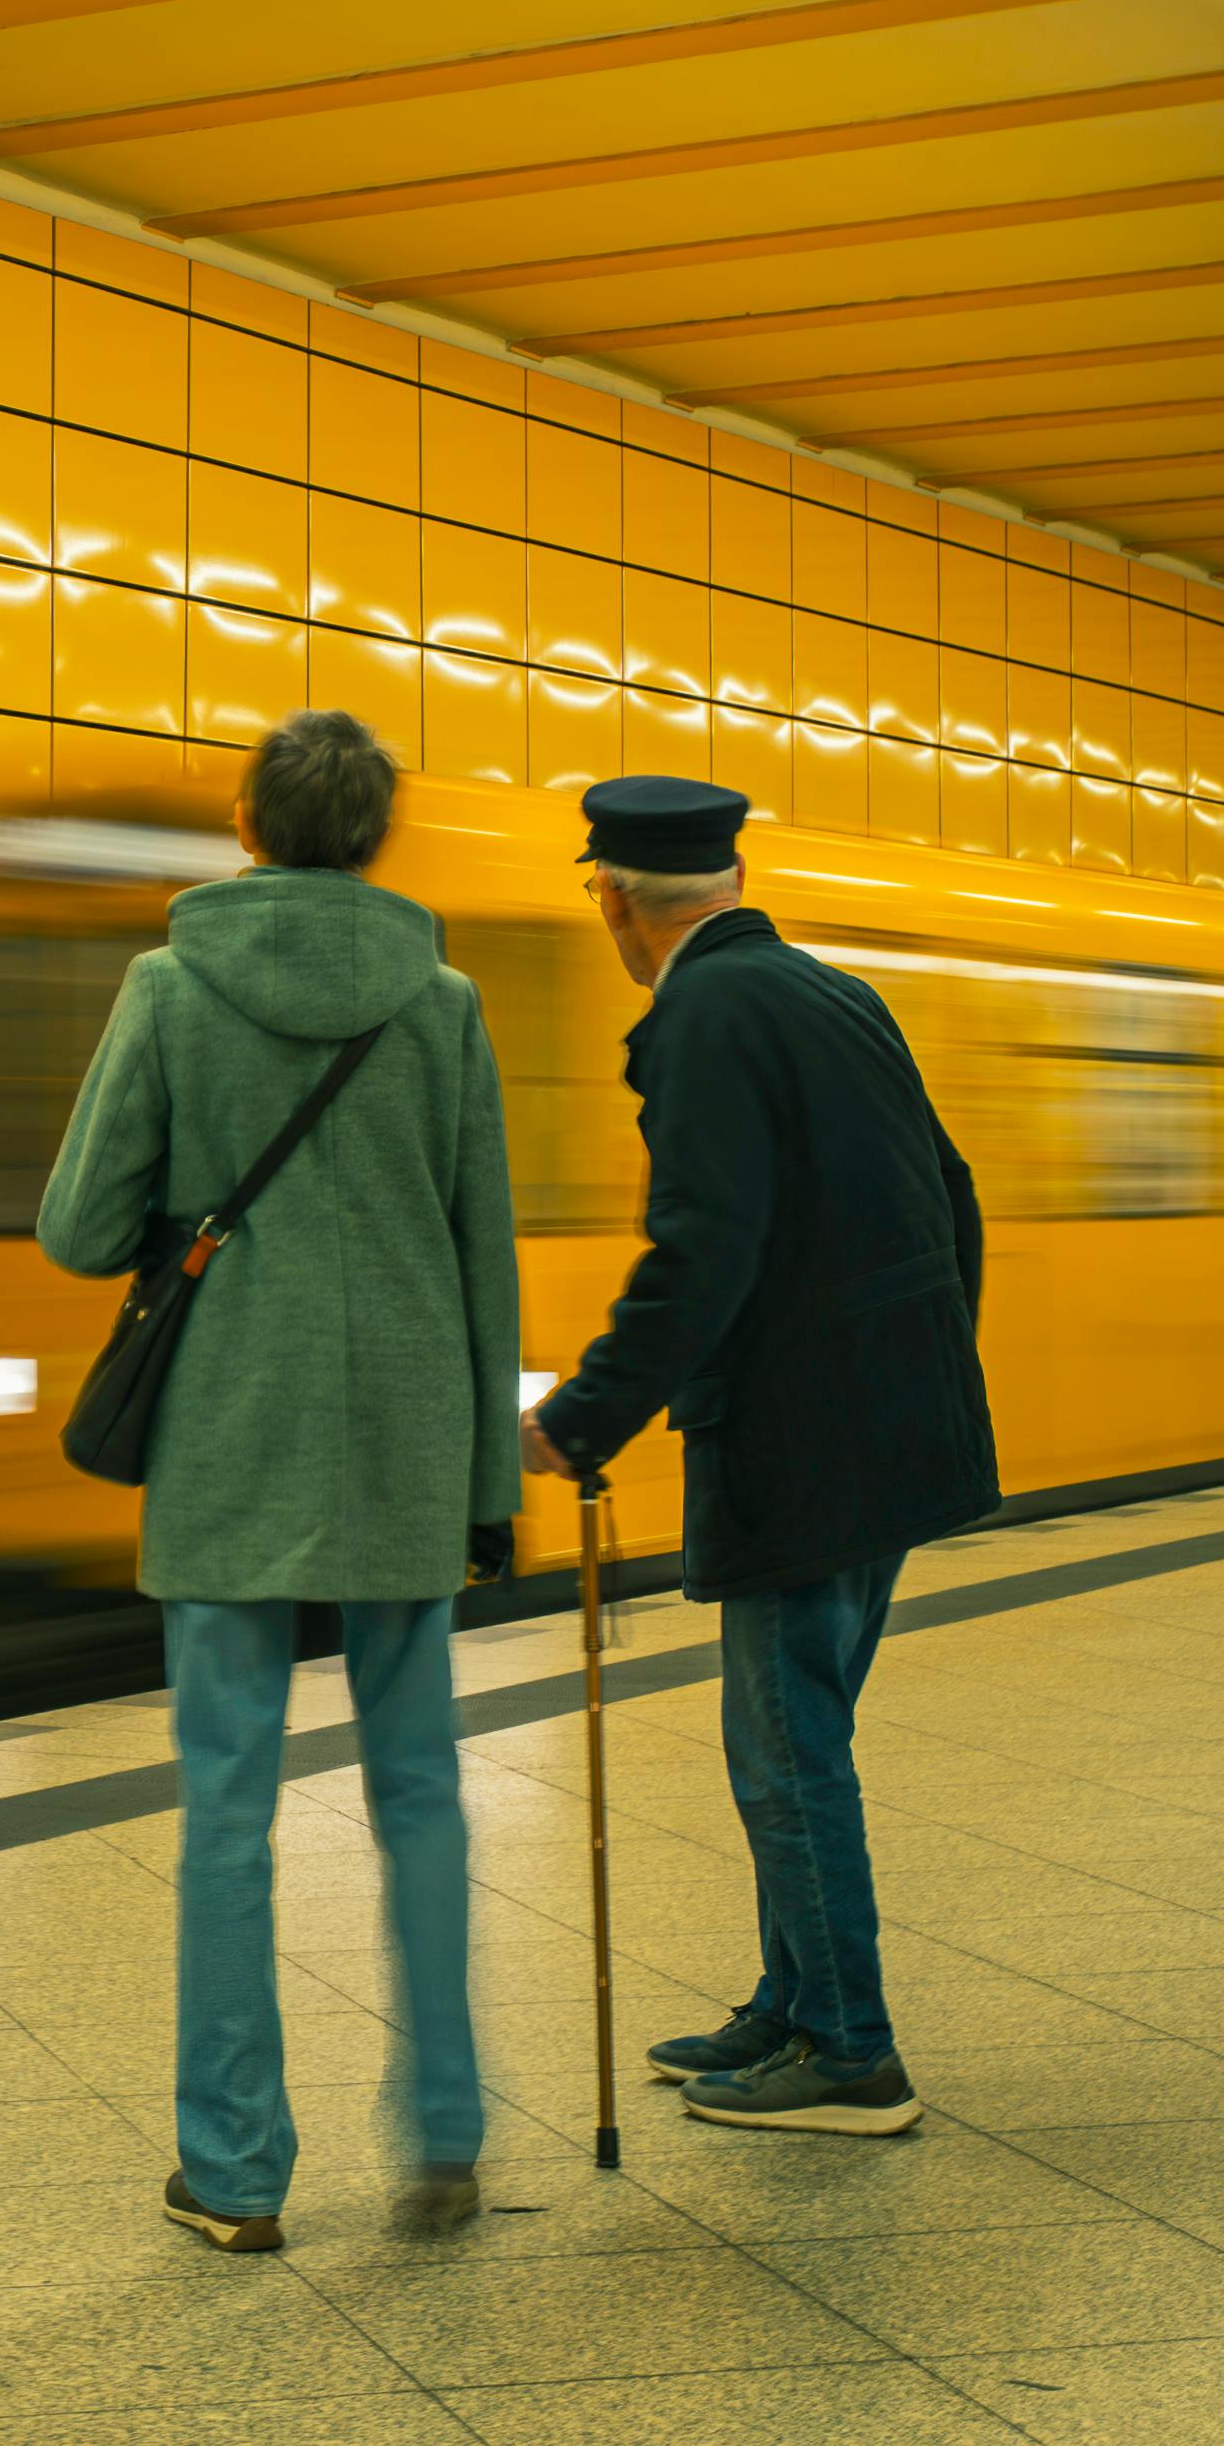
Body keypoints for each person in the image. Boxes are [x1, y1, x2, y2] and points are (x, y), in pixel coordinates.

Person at [38, 709, 523, 2252]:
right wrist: (483, 1478)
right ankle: (442, 2131)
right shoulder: (442, 1001)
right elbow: (480, 1250)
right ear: (377, 834)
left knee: (227, 1811)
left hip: (231, 1438)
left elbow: (78, 1223)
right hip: (401, 1436)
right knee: (424, 1794)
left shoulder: (169, 986)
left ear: (244, 825)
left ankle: (234, 2170)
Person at [523, 774, 996, 2139]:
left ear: (610, 894)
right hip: (885, 1422)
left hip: (801, 1439)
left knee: (784, 1749)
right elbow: (949, 1191)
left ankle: (849, 2047)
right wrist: (919, 1368)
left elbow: (703, 1245)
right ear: (724, 878)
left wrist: (587, 1408)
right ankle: (791, 1999)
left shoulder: (701, 1014)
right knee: (801, 1728)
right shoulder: (832, 992)